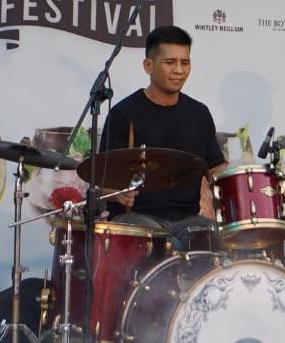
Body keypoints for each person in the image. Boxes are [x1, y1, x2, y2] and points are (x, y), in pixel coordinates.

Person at [97, 25, 226, 248]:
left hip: (187, 219)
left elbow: (216, 169)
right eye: (170, 62)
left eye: (185, 63)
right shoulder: (123, 114)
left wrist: (247, 179)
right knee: (168, 246)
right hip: (135, 218)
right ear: (148, 65)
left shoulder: (199, 114)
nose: (179, 70)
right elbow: (101, 182)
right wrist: (118, 194)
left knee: (225, 242)